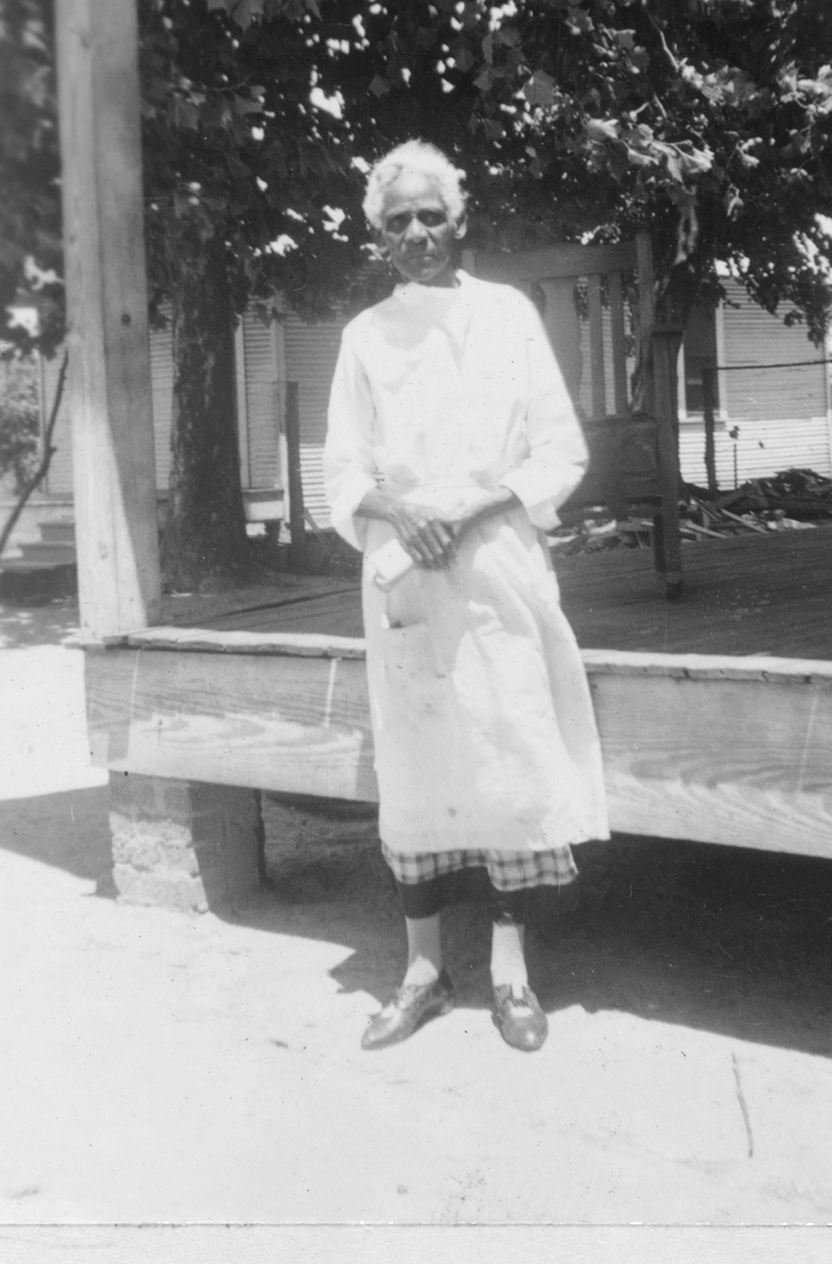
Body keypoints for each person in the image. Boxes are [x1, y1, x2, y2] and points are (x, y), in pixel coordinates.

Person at [323, 140, 610, 1053]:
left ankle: (510, 976)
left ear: (461, 218)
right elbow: (341, 472)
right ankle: (420, 972)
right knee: (417, 778)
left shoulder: (509, 317)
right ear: (378, 234)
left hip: (496, 569)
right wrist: (401, 510)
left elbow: (560, 452)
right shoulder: (365, 336)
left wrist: (477, 503)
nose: (417, 233)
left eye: (431, 215)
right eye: (397, 219)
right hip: (406, 578)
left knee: (509, 761)